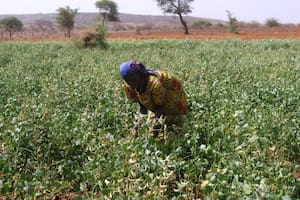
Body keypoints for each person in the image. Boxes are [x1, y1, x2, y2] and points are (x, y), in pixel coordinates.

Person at [119, 60, 188, 138]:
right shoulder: (129, 87)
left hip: (172, 98)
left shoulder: (155, 84)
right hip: (157, 103)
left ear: (140, 74)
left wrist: (155, 124)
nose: (132, 83)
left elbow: (160, 107)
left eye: (134, 79)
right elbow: (142, 105)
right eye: (128, 81)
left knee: (172, 131)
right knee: (152, 133)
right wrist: (138, 124)